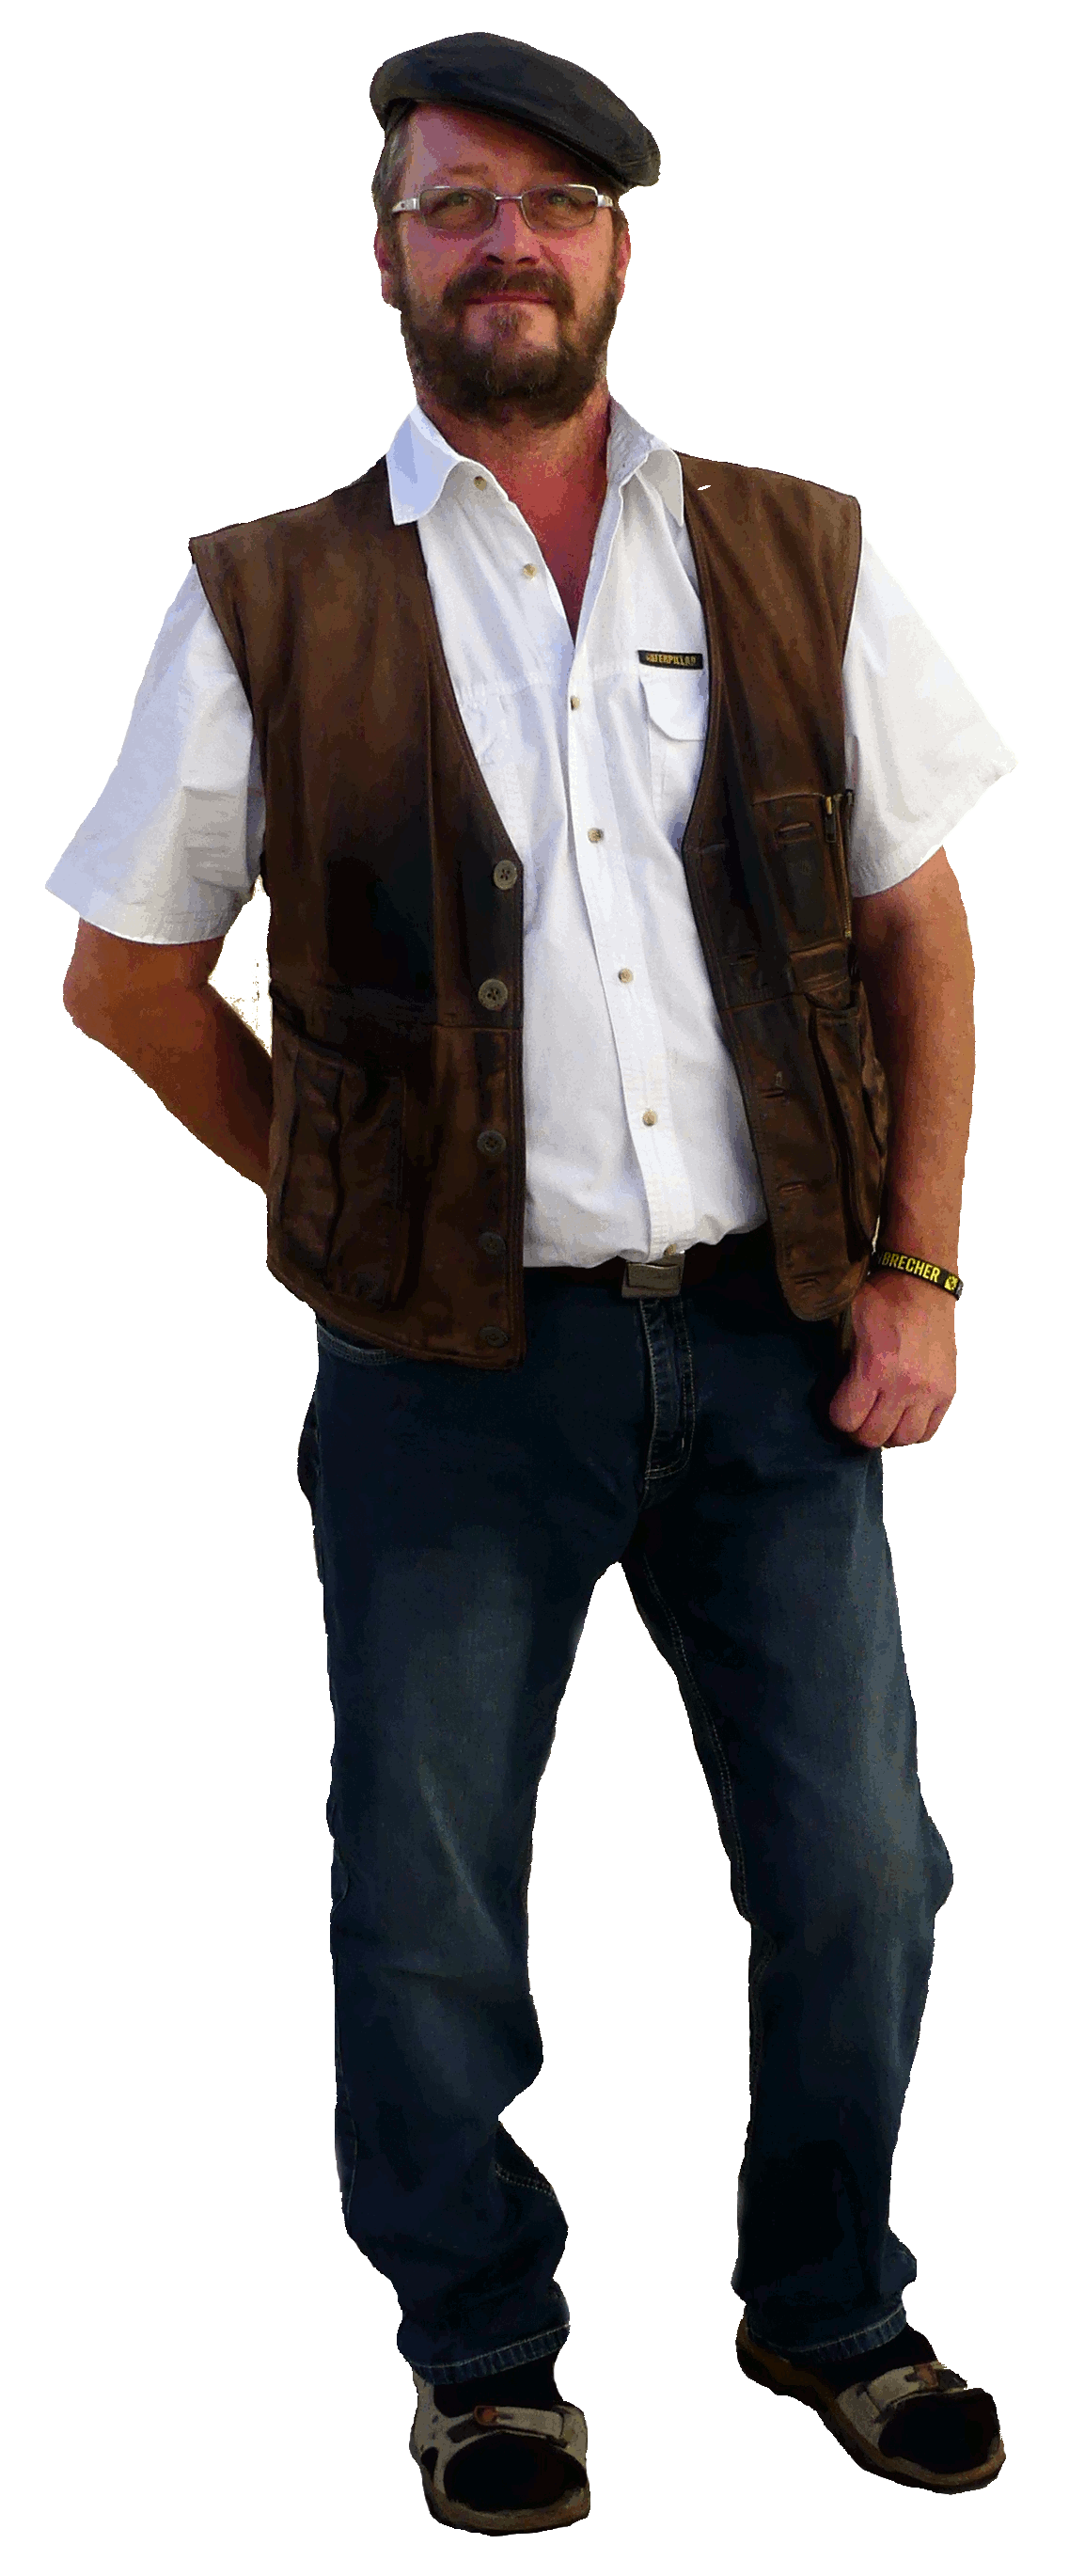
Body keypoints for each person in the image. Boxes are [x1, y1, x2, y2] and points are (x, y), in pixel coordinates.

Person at [49, 28, 1016, 2538]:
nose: (507, 243)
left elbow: (919, 932)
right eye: (454, 202)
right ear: (383, 251)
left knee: (863, 1870)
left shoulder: (795, 551)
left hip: (786, 1339)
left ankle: (831, 2308)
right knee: (429, 1898)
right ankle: (482, 2355)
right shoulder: (266, 596)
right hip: (451, 1379)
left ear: (619, 246)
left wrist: (918, 1265)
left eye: (552, 203)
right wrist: (360, 1200)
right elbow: (128, 975)